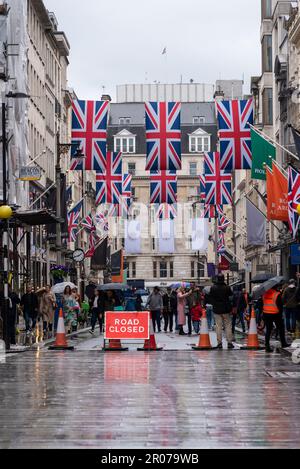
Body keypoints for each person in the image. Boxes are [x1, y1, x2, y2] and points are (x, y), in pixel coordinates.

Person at [208, 275, 234, 349]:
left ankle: (219, 343)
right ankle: (229, 342)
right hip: (226, 309)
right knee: (228, 326)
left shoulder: (213, 288)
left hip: (217, 309)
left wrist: (214, 303)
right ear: (223, 279)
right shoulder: (227, 287)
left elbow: (210, 297)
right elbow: (231, 296)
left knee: (218, 326)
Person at [263, 284, 289, 353]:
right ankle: (283, 343)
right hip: (275, 313)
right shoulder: (277, 294)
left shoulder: (265, 294)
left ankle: (267, 345)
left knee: (268, 329)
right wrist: (281, 314)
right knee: (281, 328)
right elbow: (280, 305)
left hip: (266, 313)